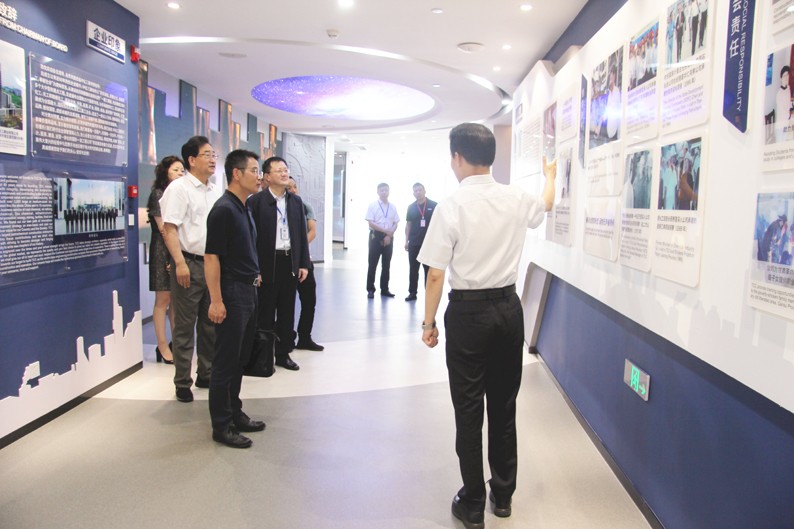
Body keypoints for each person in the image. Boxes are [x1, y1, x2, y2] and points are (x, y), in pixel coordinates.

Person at [418, 123, 556, 529]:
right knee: (503, 405)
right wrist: (550, 177)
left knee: (468, 410)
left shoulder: (451, 206)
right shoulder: (516, 198)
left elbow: (436, 274)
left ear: (458, 157)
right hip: (509, 311)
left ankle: (473, 502)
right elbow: (546, 204)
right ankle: (504, 496)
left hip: (468, 315)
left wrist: (428, 323)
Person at [204, 149, 266, 449]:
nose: (259, 176)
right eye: (254, 170)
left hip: (248, 290)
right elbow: (211, 257)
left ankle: (234, 412)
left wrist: (255, 273)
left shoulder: (244, 207)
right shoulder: (223, 210)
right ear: (237, 174)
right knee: (225, 362)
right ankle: (221, 425)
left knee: (240, 359)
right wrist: (216, 300)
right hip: (231, 292)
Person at [159, 136, 222, 403]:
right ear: (192, 160)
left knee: (210, 324)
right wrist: (180, 263)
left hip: (212, 264)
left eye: (214, 155)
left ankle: (206, 373)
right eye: (207, 154)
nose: (213, 159)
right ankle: (182, 382)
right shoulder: (179, 188)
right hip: (189, 262)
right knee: (185, 326)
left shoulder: (214, 190)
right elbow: (169, 228)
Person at [248, 157, 311, 371]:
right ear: (267, 176)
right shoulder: (256, 202)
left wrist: (303, 263)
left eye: (286, 170)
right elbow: (251, 238)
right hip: (266, 263)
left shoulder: (295, 202)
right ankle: (262, 357)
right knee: (265, 312)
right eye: (279, 171)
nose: (284, 174)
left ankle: (283, 354)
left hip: (288, 261)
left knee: (287, 311)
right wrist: (255, 269)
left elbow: (301, 235)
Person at [147, 156, 184, 365]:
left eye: (182, 170)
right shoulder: (158, 194)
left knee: (176, 301)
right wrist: (174, 257)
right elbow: (164, 229)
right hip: (163, 250)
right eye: (175, 170)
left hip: (177, 249)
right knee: (163, 300)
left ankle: (177, 344)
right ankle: (162, 346)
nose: (180, 173)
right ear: (165, 172)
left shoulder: (179, 194)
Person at [287, 176, 324, 351]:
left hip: (304, 260)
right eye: (289, 187)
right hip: (286, 261)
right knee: (286, 303)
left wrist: (299, 248)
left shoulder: (305, 206)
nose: (293, 190)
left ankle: (304, 337)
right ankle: (285, 338)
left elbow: (312, 232)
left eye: (295, 186)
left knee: (309, 301)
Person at [365, 183, 400, 298]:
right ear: (378, 192)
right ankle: (370, 289)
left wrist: (389, 234)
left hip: (389, 237)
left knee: (386, 264)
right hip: (376, 236)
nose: (384, 192)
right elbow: (370, 223)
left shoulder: (392, 207)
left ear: (389, 191)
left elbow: (396, 223)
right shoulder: (373, 205)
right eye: (382, 190)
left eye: (386, 190)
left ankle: (385, 289)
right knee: (372, 264)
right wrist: (385, 231)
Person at [404, 182, 436, 301]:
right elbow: (408, 225)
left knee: (428, 270)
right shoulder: (411, 207)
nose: (418, 192)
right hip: (414, 243)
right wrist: (406, 241)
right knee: (413, 269)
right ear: (413, 193)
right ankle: (412, 293)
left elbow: (438, 224)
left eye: (420, 190)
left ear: (424, 191)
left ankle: (429, 293)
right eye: (415, 191)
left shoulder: (434, 205)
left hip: (428, 244)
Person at [775, 66, 792, 143]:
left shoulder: (788, 88)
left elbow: (788, 104)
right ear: (781, 78)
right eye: (784, 75)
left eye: (787, 75)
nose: (786, 77)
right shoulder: (779, 94)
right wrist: (791, 114)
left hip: (786, 122)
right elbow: (784, 112)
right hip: (780, 125)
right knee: (780, 144)